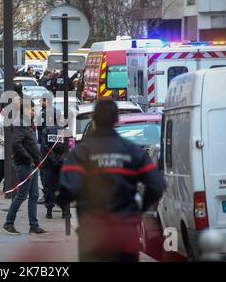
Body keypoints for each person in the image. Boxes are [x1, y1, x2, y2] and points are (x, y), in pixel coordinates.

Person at [56, 99, 165, 262]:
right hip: (125, 231)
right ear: (116, 119)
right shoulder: (132, 150)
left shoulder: (81, 153)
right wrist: (138, 209)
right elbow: (157, 185)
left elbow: (68, 189)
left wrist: (62, 199)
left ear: (94, 120)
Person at [3, 98, 48, 235]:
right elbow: (16, 144)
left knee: (34, 195)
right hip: (25, 165)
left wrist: (36, 160)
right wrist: (29, 159)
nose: (34, 112)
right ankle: (8, 223)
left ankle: (33, 225)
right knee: (22, 195)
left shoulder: (26, 123)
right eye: (31, 109)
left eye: (34, 109)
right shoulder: (20, 123)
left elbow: (30, 144)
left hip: (31, 165)